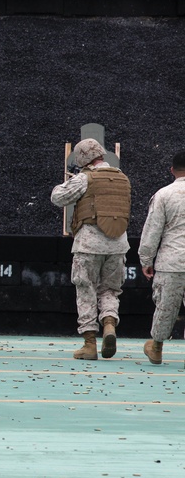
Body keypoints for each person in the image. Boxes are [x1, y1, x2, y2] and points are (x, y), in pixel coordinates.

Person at [50, 138, 130, 360]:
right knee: (110, 290)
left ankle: (89, 343)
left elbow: (57, 197)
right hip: (118, 245)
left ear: (83, 158)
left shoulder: (85, 178)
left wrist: (74, 179)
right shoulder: (122, 178)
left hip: (88, 245)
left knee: (86, 290)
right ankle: (110, 323)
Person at [137, 151, 185, 365]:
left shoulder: (163, 195)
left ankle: (156, 347)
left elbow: (152, 231)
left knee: (165, 307)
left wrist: (146, 260)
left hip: (171, 262)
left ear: (172, 170)